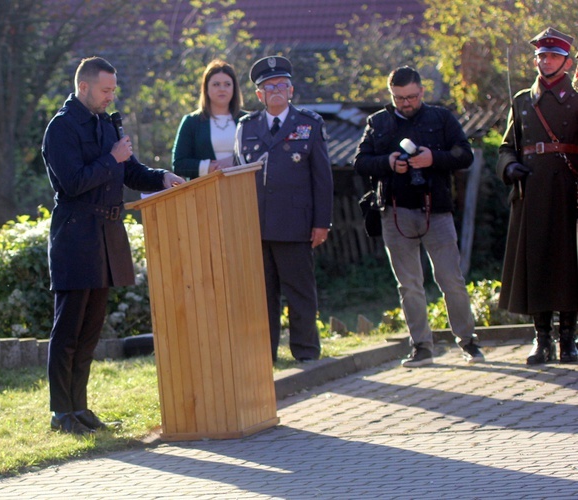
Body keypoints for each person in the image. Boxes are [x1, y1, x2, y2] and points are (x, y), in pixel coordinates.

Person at [42, 56, 185, 435]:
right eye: (106, 90)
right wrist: (112, 158)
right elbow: (72, 182)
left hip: (106, 234)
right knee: (69, 328)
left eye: (113, 90)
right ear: (84, 87)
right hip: (75, 235)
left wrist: (161, 177)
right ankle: (61, 413)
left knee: (91, 329)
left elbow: (129, 170)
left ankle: (81, 408)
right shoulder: (61, 128)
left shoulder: (106, 124)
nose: (111, 97)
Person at [354, 66, 485, 368]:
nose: (406, 103)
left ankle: (468, 341)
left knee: (451, 279)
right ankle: (422, 347)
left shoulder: (441, 118)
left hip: (435, 211)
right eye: (399, 98)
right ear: (391, 95)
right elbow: (359, 162)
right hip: (395, 212)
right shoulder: (378, 122)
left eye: (411, 97)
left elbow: (465, 154)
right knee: (409, 285)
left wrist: (433, 158)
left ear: (422, 91)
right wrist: (387, 163)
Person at [233, 55, 333, 363]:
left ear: (291, 90)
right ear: (259, 95)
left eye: (281, 85)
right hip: (258, 225)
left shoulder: (309, 124)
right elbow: (238, 177)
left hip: (296, 224)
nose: (275, 90)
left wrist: (321, 223)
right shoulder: (245, 127)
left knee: (300, 292)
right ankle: (266, 355)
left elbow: (322, 179)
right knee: (263, 296)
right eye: (268, 86)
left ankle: (306, 352)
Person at [497, 27, 578, 365]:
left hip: (569, 192)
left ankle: (568, 341)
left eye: (553, 56)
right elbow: (506, 147)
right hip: (531, 193)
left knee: (569, 265)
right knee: (536, 264)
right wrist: (510, 166)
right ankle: (540, 339)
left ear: (568, 62)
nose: (545, 61)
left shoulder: (576, 100)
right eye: (541, 56)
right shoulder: (521, 101)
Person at [172, 59, 246, 179]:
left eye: (227, 84)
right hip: (206, 191)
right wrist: (208, 167)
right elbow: (179, 164)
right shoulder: (191, 122)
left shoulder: (248, 120)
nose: (222, 89)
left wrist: (235, 160)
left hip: (243, 187)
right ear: (206, 88)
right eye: (216, 84)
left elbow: (261, 156)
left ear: (234, 88)